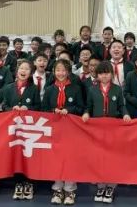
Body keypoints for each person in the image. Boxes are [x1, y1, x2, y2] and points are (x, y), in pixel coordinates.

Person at [81, 61, 131, 204]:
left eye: (107, 73)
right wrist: (86, 113)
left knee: (112, 157)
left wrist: (125, 114)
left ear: (112, 74)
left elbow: (121, 106)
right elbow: (88, 106)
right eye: (101, 73)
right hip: (97, 130)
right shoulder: (92, 89)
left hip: (113, 129)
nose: (104, 76)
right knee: (99, 158)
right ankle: (101, 186)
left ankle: (111, 186)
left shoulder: (117, 89)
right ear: (97, 75)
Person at [0, 60, 41, 200]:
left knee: (28, 155)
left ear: (31, 73)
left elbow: (38, 107)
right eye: (21, 68)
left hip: (28, 129)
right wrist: (11, 109)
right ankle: (18, 183)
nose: (23, 71)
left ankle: (29, 183)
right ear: (17, 71)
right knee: (16, 155)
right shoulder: (8, 88)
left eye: (27, 69)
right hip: (14, 129)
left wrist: (29, 108)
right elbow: (2, 105)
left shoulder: (34, 89)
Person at [43, 59, 83, 205]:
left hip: (71, 130)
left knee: (70, 158)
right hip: (54, 130)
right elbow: (43, 109)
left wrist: (69, 110)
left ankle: (70, 189)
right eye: (58, 70)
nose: (61, 73)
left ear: (68, 72)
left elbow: (81, 107)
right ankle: (58, 188)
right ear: (54, 72)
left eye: (63, 70)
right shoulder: (49, 90)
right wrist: (53, 110)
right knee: (56, 159)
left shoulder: (76, 88)